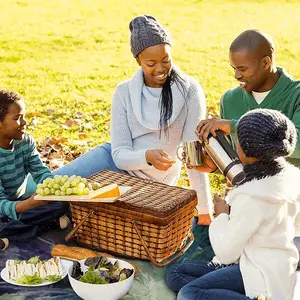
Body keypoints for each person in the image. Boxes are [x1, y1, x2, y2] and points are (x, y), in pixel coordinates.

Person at [48, 15, 212, 224]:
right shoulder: (124, 92)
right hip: (113, 163)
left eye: (166, 59)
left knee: (73, 208)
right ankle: (12, 217)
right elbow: (119, 154)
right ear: (138, 61)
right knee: (50, 189)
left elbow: (193, 156)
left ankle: (65, 216)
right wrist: (146, 156)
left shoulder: (189, 91)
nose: (160, 69)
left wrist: (205, 211)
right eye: (151, 63)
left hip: (150, 184)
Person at [166, 108, 300, 300]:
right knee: (176, 273)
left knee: (189, 293)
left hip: (258, 274)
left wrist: (222, 215)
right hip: (276, 266)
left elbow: (226, 253)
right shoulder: (292, 177)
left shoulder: (251, 197)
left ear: (244, 150)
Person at [195, 29, 300, 173]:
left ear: (265, 63)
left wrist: (235, 127)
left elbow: (296, 144)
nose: (236, 75)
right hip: (249, 191)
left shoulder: (296, 95)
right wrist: (216, 167)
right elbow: (238, 162)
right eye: (234, 68)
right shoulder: (230, 99)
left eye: (242, 69)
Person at [0, 90, 69, 241]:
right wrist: (29, 204)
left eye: (24, 116)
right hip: (5, 207)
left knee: (63, 203)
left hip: (20, 202)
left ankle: (17, 231)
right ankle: (42, 225)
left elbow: (40, 173)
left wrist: (53, 189)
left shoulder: (25, 141)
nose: (24, 122)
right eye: (17, 118)